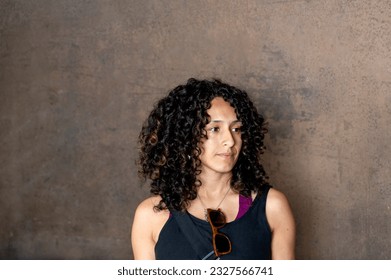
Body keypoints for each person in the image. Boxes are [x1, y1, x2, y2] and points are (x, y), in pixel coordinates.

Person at [131, 78, 295, 260]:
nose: (230, 141)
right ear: (186, 136)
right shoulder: (150, 215)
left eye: (237, 129)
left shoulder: (272, 207)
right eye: (215, 129)